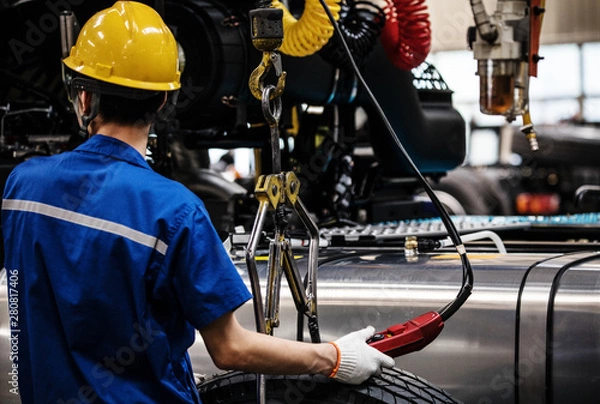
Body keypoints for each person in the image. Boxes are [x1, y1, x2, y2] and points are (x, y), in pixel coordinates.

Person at [1, 2, 394, 403]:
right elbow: (230, 348)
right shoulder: (175, 212)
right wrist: (334, 357)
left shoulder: (22, 187)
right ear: (162, 103)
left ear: (82, 99)